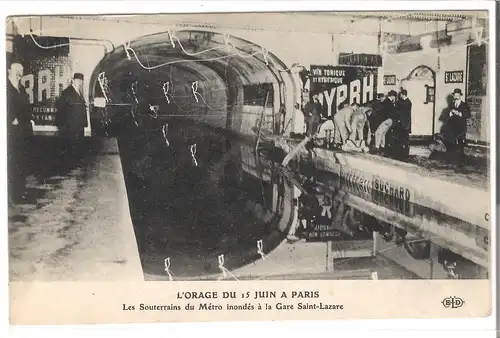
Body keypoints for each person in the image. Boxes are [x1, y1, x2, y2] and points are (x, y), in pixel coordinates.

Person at [7, 60, 34, 204]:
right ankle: (13, 195)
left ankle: (20, 192)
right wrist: (10, 119)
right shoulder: (5, 88)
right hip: (11, 132)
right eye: (16, 71)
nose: (19, 74)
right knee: (12, 163)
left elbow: (26, 108)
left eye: (21, 72)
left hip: (23, 131)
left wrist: (30, 120)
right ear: (9, 71)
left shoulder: (21, 89)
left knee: (21, 162)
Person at [56, 73, 88, 159]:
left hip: (79, 126)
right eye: (78, 80)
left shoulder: (79, 93)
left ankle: (76, 164)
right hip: (71, 127)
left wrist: (85, 123)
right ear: (73, 80)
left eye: (81, 81)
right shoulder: (67, 92)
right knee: (71, 148)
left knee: (78, 147)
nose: (80, 83)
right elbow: (60, 108)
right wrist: (65, 125)